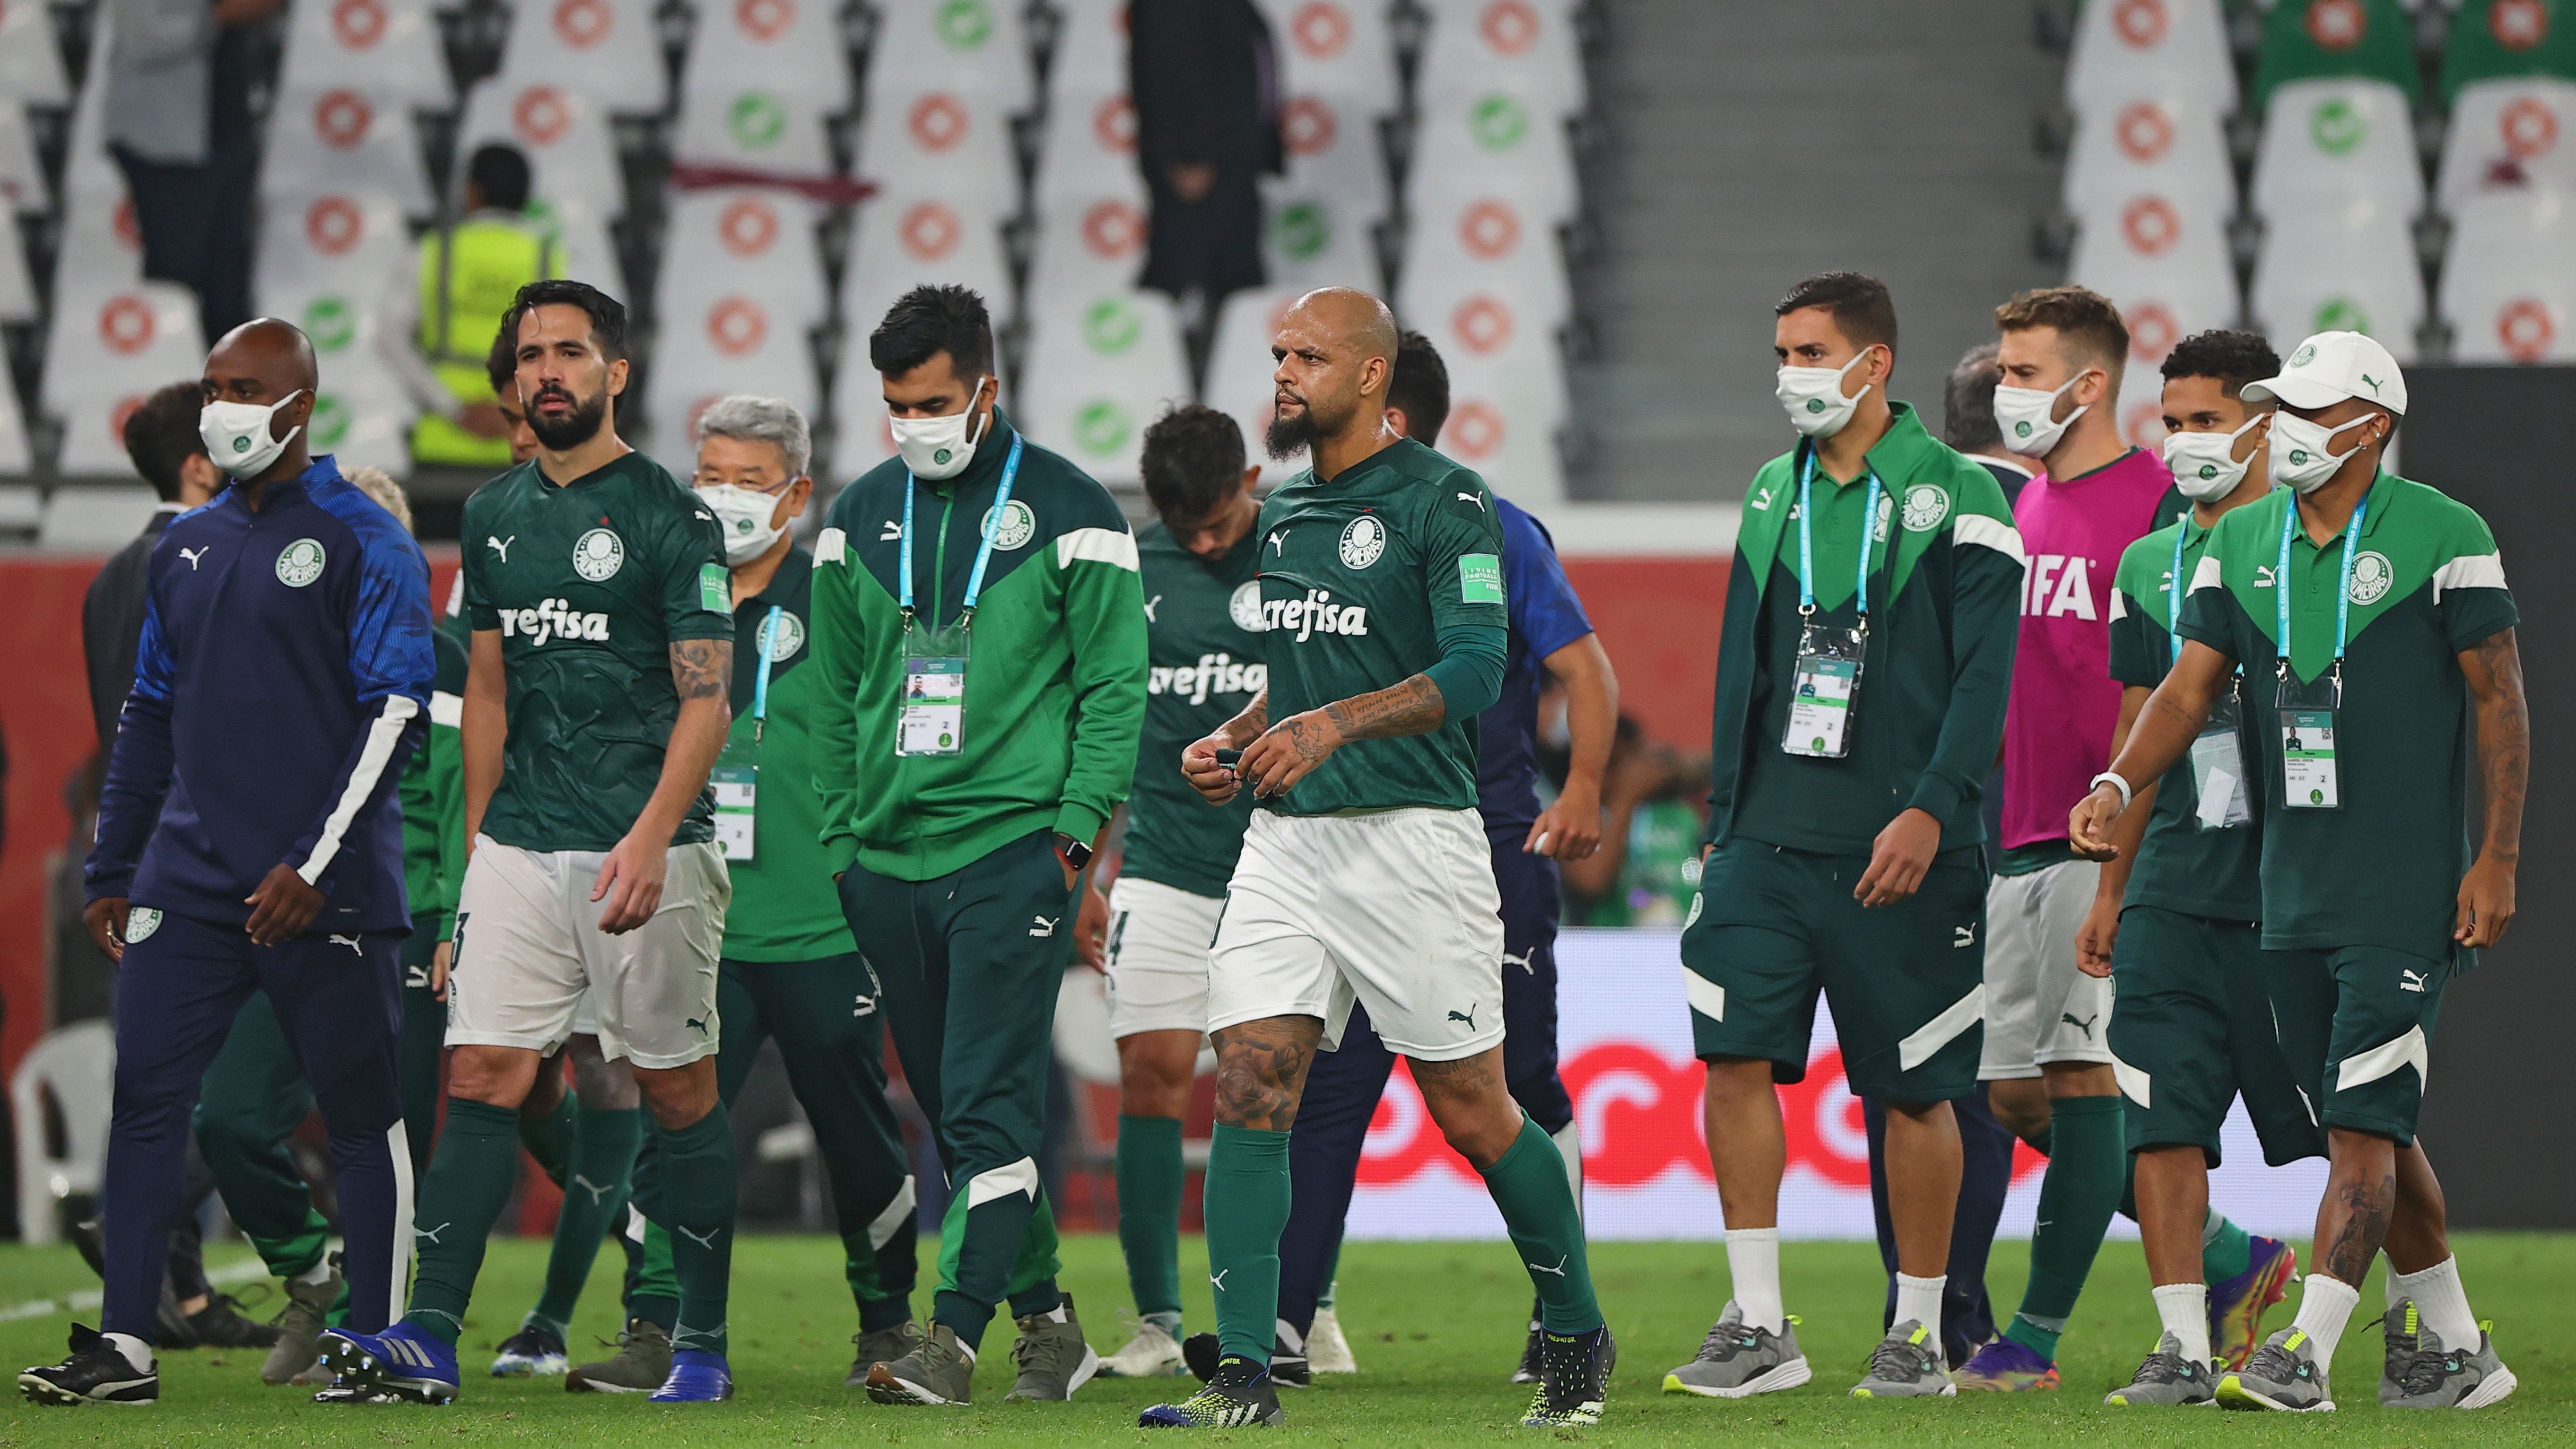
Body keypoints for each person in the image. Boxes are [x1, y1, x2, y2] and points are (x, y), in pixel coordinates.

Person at [1153, 287, 1610, 1431]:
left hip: (1413, 839)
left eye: (1307, 355)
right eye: (1276, 354)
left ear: (1370, 375)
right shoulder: (1290, 508)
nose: (1284, 372)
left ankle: (1575, 1328)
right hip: (1287, 844)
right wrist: (1247, 732)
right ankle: (1246, 1371)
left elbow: (1471, 666)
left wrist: (1331, 726)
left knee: (1472, 1107)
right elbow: (1303, 674)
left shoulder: (1449, 501)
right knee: (1252, 1081)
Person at [2072, 332, 2525, 1413]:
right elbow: (2182, 694)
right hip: (2287, 890)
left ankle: (2303, 1353)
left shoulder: (2445, 533)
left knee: (2364, 1123)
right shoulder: (2246, 542)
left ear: (2373, 424)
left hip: (2401, 890)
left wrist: (2496, 856)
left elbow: (2499, 700)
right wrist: (2120, 784)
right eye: (2286, 409)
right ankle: (2458, 1345)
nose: (2293, 429)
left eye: (2316, 412)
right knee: (2360, 1117)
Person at [317, 279, 742, 1406]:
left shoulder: (671, 515)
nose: (545, 371)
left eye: (569, 351)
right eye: (529, 356)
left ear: (617, 370)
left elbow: (709, 702)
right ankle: (433, 1331)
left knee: (678, 1089)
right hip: (519, 844)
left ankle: (698, 1337)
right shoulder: (496, 515)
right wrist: (471, 869)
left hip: (647, 848)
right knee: (483, 1069)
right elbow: (489, 695)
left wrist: (653, 835)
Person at [22, 319, 433, 1407]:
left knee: (358, 1113)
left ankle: (381, 1338)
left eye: (246, 388)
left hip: (323, 884)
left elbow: (397, 713)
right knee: (148, 1099)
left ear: (301, 404)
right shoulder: (187, 544)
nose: (225, 408)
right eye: (213, 389)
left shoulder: (366, 538)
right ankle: (124, 1344)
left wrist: (315, 861)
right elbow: (150, 712)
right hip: (190, 880)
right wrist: (115, 864)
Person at [1662, 273, 2016, 1402]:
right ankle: (1759, 1319)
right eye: (1782, 353)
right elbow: (1743, 667)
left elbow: (1984, 675)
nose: (1790, 375)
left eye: (1810, 353)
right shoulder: (1774, 489)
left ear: (1875, 363)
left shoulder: (1960, 494)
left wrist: (1932, 803)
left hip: (1903, 839)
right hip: (1768, 836)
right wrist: (1724, 822)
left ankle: (1915, 1331)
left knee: (1913, 1089)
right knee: (1731, 1054)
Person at [810, 284, 1146, 1407]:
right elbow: (825, 693)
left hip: (1014, 851)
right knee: (960, 1115)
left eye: (937, 401)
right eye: (898, 405)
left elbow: (1114, 684)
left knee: (991, 1103)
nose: (917, 424)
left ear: (988, 390)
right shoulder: (857, 518)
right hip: (886, 863)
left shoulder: (1073, 508)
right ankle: (1048, 1324)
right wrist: (839, 841)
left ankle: (947, 1340)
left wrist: (1074, 836)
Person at [1263, 328, 1619, 1387]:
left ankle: (1561, 1317)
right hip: (1342, 845)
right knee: (1324, 1088)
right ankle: (1289, 1321)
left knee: (1515, 1083)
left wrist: (1588, 787)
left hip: (1484, 841)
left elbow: (1585, 670)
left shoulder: (1494, 527)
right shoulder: (1310, 524)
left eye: (1314, 365)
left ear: (1393, 417)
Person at [2087, 331, 2319, 1405]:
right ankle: (2182, 1341)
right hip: (2177, 881)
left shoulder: (2312, 547)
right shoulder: (2145, 563)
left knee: (2359, 1126)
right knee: (2161, 1117)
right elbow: (2143, 716)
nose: (2184, 443)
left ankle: (2423, 1314)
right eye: (2171, 422)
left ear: (2267, 423)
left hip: (2299, 883)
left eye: (2205, 420)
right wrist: (2111, 886)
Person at [1954, 286, 2178, 1390]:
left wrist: (2130, 835)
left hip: (2100, 839)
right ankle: (2229, 1257)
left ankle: (2032, 1338)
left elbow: (2174, 690)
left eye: (2026, 372)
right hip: (2016, 831)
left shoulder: (2157, 505)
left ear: (2091, 385)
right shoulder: (2026, 505)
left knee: (2083, 1079)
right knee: (2015, 1094)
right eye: (2004, 370)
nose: (2007, 391)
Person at [696, 394, 927, 1383]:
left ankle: (886, 1319)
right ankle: (660, 1323)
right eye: (712, 475)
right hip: (701, 916)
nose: (727, 498)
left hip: (827, 916)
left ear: (798, 491)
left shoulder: (838, 588)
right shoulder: (673, 592)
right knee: (678, 1121)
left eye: (751, 481)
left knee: (857, 1134)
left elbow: (892, 725)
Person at [1087, 403, 1265, 1382]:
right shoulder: (1131, 573)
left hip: (1283, 868)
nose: (1201, 541)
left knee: (1259, 1090)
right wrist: (1088, 866)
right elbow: (1106, 728)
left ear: (1250, 482)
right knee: (1151, 1072)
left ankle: (1291, 1311)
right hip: (1159, 858)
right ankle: (1158, 1319)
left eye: (1216, 521)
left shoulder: (1300, 553)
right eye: (1182, 525)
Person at [104, 0, 273, 343]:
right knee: (178, 284)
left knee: (229, 292)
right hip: (166, 147)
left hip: (228, 134)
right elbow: (143, 37)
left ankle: (228, 388)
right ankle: (176, 387)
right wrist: (223, 15)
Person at [384, 145, 557, 470]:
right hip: (529, 445)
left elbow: (390, 337)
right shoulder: (555, 258)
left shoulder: (432, 251)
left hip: (445, 442)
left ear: (472, 192)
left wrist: (452, 407)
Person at [1129, 0, 1282, 319]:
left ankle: (1231, 361)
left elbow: (1249, 65)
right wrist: (1186, 157)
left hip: (1236, 160)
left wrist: (1265, 146)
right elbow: (1164, 72)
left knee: (1237, 282)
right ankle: (1134, 362)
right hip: (1200, 166)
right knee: (1171, 277)